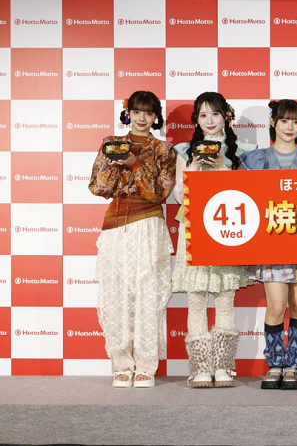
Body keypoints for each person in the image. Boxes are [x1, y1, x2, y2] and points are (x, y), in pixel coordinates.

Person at [89, 90, 176, 388]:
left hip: (148, 225)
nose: (142, 118)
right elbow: (98, 187)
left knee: (147, 295)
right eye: (137, 111)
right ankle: (122, 365)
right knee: (117, 295)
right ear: (128, 113)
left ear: (155, 117)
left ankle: (146, 365)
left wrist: (135, 163)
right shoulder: (111, 143)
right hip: (115, 227)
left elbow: (159, 193)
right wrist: (115, 162)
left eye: (148, 113)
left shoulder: (164, 150)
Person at [243, 99, 297, 390]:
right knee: (276, 306)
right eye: (284, 121)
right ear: (273, 122)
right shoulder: (257, 159)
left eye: (295, 121)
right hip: (271, 243)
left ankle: (292, 366)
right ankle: (274, 364)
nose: (290, 127)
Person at [171, 92, 255, 388]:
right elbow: (179, 196)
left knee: (225, 300)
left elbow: (245, 194)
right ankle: (199, 368)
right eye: (203, 115)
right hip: (193, 228)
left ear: (226, 117)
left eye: (215, 114)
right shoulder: (184, 151)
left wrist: (220, 166)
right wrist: (194, 166)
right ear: (196, 119)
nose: (209, 121)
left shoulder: (241, 151)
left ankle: (223, 366)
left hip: (226, 229)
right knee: (195, 300)